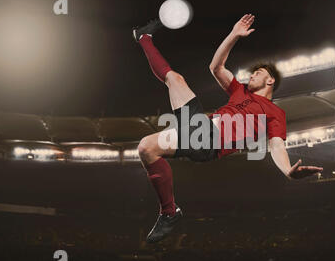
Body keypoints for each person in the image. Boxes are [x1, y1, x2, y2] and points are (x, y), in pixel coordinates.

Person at [132, 14, 323, 243]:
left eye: (258, 72)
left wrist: (287, 171)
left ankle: (169, 213)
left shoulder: (275, 113)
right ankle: (143, 37)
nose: (252, 74)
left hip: (208, 141)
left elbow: (276, 145)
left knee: (146, 147)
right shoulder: (240, 91)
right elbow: (215, 67)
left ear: (270, 81)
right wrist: (233, 35)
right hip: (200, 124)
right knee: (174, 78)